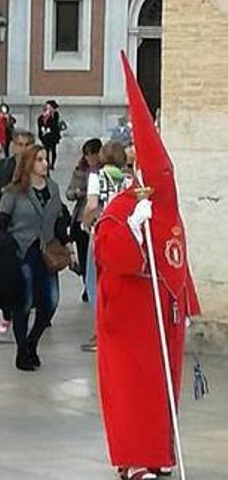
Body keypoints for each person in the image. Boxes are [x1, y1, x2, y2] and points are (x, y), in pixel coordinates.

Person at [95, 57, 200, 479]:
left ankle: (157, 453)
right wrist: (134, 233)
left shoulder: (168, 211)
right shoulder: (124, 208)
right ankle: (134, 457)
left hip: (162, 317)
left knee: (160, 391)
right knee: (131, 390)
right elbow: (108, 256)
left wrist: (186, 301)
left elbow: (178, 256)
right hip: (129, 315)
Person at [0, 144, 70, 371]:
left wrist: (67, 243)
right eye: (39, 159)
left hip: (46, 251)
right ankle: (22, 350)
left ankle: (32, 342)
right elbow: (2, 223)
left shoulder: (53, 188)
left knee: (51, 301)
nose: (45, 163)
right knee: (25, 302)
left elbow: (59, 219)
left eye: (45, 159)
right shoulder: (13, 192)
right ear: (29, 163)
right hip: (22, 251)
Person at [80, 142, 131, 352]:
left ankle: (102, 329)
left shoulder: (96, 177)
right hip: (124, 234)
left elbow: (92, 205)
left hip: (102, 232)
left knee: (94, 282)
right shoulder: (128, 180)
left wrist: (85, 222)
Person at [0, 130, 35, 333]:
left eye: (26, 145)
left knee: (27, 272)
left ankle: (26, 306)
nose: (22, 149)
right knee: (7, 272)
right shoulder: (3, 166)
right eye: (19, 144)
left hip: (28, 229)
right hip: (5, 228)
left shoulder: (36, 169)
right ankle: (7, 312)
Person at [65, 138, 102, 303]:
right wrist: (77, 192)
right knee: (84, 255)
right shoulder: (80, 170)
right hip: (81, 218)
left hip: (99, 218)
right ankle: (88, 285)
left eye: (93, 155)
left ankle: (95, 286)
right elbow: (69, 193)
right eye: (87, 155)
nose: (90, 159)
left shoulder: (105, 172)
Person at [37, 100, 63, 170]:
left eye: (50, 106)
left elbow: (54, 124)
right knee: (46, 150)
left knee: (54, 150)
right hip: (45, 136)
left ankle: (52, 164)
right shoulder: (43, 115)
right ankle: (47, 163)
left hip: (53, 135)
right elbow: (40, 122)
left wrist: (51, 115)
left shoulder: (55, 114)